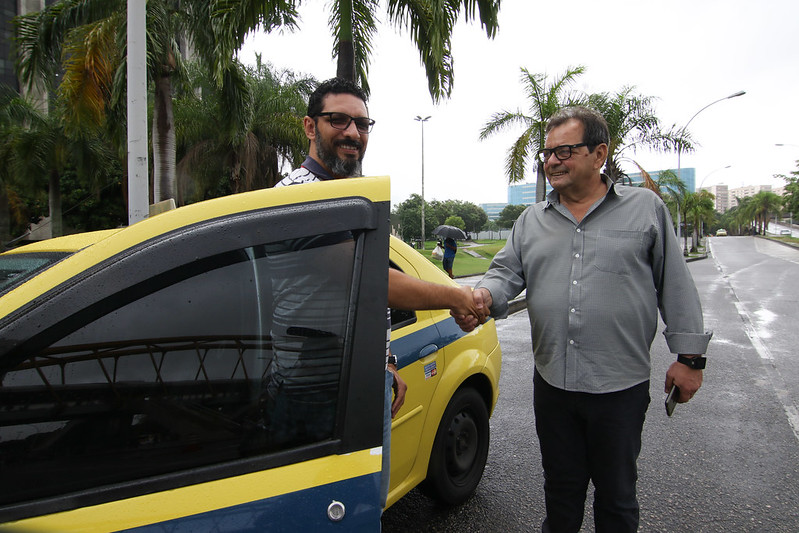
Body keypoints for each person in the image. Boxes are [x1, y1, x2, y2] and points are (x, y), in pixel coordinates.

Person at [454, 106, 712, 532]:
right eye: (547, 152)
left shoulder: (645, 209)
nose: (552, 161)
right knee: (561, 493)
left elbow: (676, 285)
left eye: (565, 150)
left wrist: (690, 359)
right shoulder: (531, 221)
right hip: (553, 385)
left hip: (619, 387)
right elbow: (504, 275)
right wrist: (481, 297)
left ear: (599, 154)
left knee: (616, 498)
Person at [275, 77, 484, 509]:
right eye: (338, 120)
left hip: (363, 385)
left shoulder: (352, 201)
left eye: (362, 123)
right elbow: (373, 281)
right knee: (324, 514)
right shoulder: (299, 197)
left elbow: (360, 304)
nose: (353, 132)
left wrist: (385, 361)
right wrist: (458, 297)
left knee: (366, 510)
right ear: (310, 127)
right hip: (313, 392)